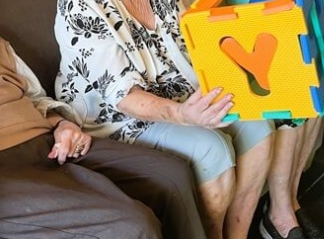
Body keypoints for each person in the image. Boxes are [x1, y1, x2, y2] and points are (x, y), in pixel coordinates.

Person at [54, 0, 275, 239]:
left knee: (259, 127)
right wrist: (183, 115)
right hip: (117, 116)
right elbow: (122, 95)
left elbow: (192, 45)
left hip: (175, 95)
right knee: (213, 149)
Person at [154, 0, 324, 239]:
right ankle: (276, 214)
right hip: (199, 75)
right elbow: (187, 45)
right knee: (283, 108)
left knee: (307, 92)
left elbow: (242, 17)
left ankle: (281, 206)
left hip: (234, 63)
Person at [0, 36, 206, 239]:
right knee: (132, 227)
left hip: (50, 140)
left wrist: (62, 124)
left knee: (172, 176)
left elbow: (36, 98)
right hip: (7, 173)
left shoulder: (2, 47)